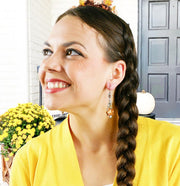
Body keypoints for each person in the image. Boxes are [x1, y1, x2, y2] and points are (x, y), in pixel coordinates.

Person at [10, 2, 180, 186]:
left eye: (72, 52)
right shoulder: (29, 161)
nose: (48, 65)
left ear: (115, 73)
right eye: (48, 51)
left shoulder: (173, 150)